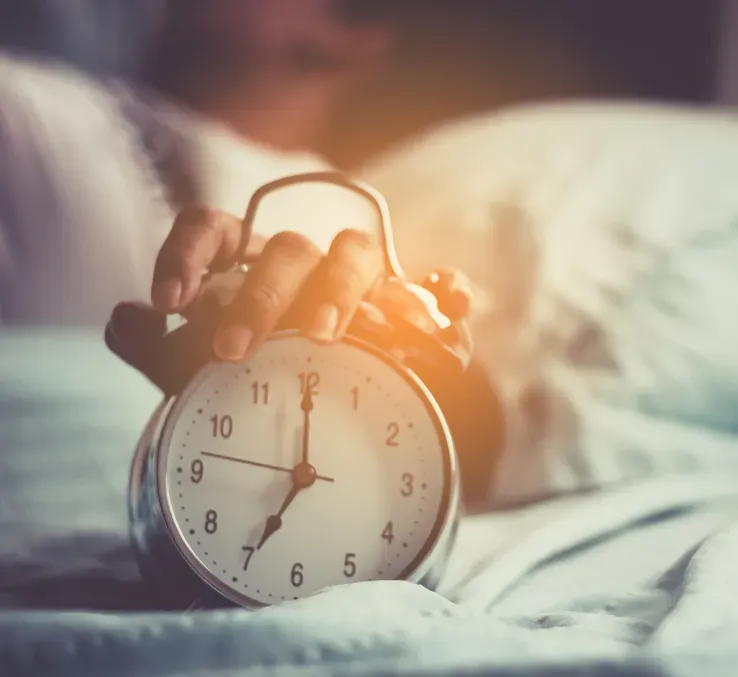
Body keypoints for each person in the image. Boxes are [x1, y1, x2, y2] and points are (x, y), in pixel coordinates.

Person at [0, 0, 504, 503]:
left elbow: (467, 467)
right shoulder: (24, 107)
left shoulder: (355, 220)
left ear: (361, 27)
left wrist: (409, 376)